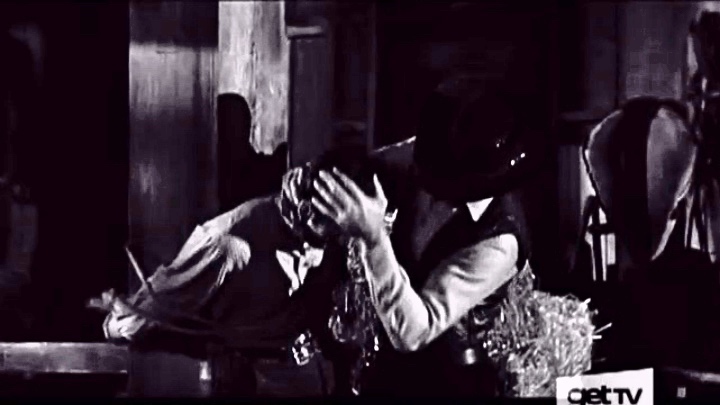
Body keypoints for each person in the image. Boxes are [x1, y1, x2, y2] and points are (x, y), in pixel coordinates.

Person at [306, 76, 542, 396]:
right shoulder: (436, 151)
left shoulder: (498, 243)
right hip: (386, 365)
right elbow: (373, 165)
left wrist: (373, 238)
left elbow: (414, 332)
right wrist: (321, 180)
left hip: (448, 378)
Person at [99, 147, 376, 397]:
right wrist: (121, 321)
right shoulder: (228, 246)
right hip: (246, 380)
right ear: (309, 210)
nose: (347, 235)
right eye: (341, 225)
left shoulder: (331, 240)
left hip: (307, 376)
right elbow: (148, 313)